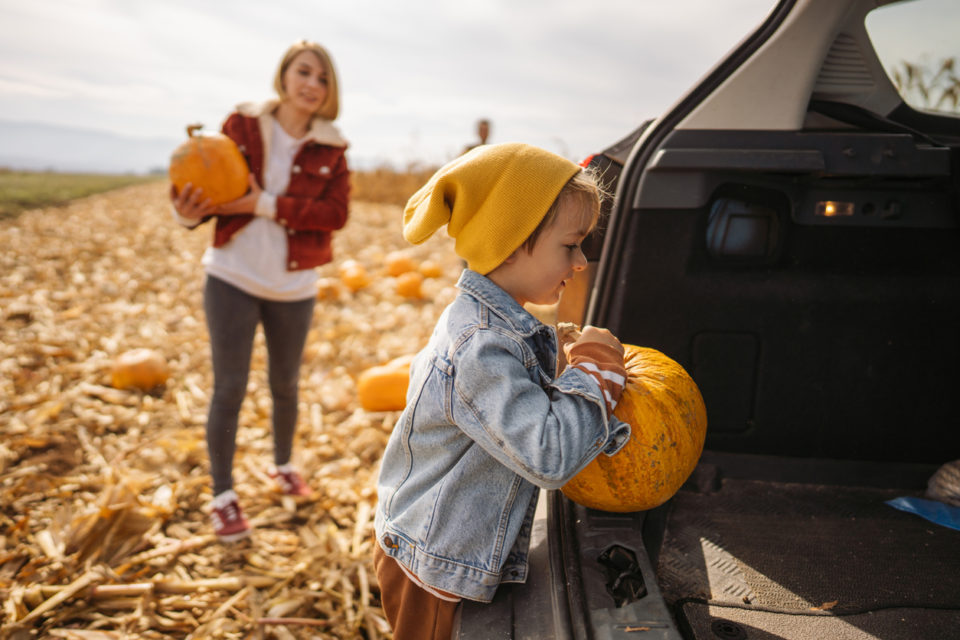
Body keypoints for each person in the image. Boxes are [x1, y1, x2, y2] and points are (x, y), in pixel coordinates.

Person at [373, 143, 631, 639]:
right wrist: (597, 373)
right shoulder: (480, 347)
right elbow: (549, 456)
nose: (580, 262)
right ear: (511, 243)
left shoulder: (500, 328)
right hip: (432, 573)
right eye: (570, 245)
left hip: (442, 554)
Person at [170, 40, 350, 542]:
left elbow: (336, 215)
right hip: (232, 276)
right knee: (229, 387)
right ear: (284, 75)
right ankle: (223, 495)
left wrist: (263, 203)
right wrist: (186, 215)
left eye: (322, 78)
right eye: (304, 72)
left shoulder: (333, 150)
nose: (312, 85)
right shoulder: (241, 126)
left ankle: (282, 463)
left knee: (286, 385)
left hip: (294, 285)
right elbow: (211, 190)